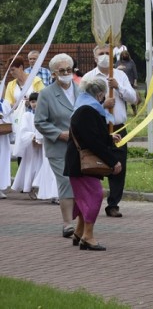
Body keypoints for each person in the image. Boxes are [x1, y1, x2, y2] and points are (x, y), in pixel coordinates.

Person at [65, 77, 122, 251]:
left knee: (84, 198)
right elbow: (92, 141)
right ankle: (88, 237)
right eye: (103, 94)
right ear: (99, 94)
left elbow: (89, 134)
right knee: (95, 196)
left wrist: (108, 137)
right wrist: (113, 161)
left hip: (78, 162)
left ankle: (79, 232)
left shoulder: (83, 107)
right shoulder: (87, 110)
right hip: (82, 164)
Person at [83, 44, 137, 218]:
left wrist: (118, 87)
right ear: (95, 57)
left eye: (108, 53)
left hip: (118, 126)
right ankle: (91, 200)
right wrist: (101, 104)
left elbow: (133, 98)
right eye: (101, 53)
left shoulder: (120, 75)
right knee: (94, 163)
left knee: (118, 164)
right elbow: (81, 104)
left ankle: (113, 203)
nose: (105, 56)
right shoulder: (88, 77)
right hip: (97, 126)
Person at [34, 54, 80, 237]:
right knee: (66, 181)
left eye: (69, 69)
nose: (66, 73)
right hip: (59, 146)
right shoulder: (46, 93)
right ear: (54, 73)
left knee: (80, 182)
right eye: (62, 71)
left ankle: (82, 221)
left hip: (79, 146)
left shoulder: (80, 89)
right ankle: (68, 223)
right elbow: (40, 122)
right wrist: (59, 134)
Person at [4, 56, 45, 160]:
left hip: (35, 120)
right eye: (9, 70)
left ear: (21, 67)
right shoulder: (11, 85)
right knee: (21, 150)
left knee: (36, 149)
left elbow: (44, 98)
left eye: (13, 69)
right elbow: (8, 103)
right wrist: (18, 104)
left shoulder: (35, 80)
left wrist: (32, 101)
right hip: (19, 121)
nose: (11, 73)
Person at [11, 92, 42, 199]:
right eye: (32, 101)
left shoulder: (45, 116)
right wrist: (33, 136)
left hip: (42, 147)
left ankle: (39, 188)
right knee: (31, 167)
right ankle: (30, 188)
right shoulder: (27, 116)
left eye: (36, 101)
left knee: (41, 166)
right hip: (31, 147)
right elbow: (23, 131)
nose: (34, 104)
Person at [115, 50, 138, 114]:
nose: (124, 56)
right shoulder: (118, 62)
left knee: (130, 95)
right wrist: (118, 68)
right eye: (123, 55)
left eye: (126, 55)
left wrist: (135, 81)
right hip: (120, 82)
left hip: (130, 81)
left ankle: (134, 110)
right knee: (122, 96)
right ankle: (124, 110)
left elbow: (134, 72)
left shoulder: (131, 62)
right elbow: (115, 70)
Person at [0, 97, 12, 199]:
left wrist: (2, 117)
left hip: (3, 136)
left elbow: (10, 117)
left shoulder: (5, 102)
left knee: (2, 161)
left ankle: (0, 188)